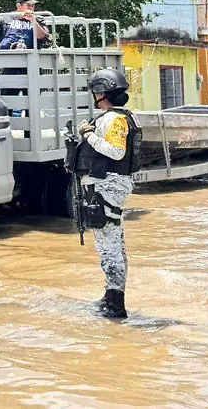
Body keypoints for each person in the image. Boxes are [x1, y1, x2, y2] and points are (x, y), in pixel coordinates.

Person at [76, 67, 140, 319]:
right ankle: (110, 295)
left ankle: (115, 306)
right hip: (109, 187)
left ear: (102, 93)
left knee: (109, 247)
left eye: (96, 91)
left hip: (107, 189)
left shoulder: (115, 120)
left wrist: (89, 135)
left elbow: (116, 152)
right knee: (114, 244)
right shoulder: (120, 117)